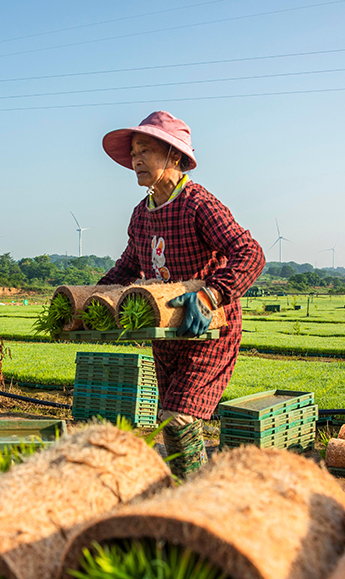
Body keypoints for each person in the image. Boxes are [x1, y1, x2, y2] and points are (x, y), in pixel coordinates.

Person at [97, 111, 265, 478]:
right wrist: (89, 299)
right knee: (171, 421)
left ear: (173, 156)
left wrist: (213, 295)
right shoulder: (142, 215)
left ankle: (196, 501)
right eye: (134, 153)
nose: (136, 160)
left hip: (208, 330)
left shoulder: (198, 204)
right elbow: (128, 267)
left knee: (176, 418)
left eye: (145, 151)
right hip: (168, 334)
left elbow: (250, 253)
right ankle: (191, 492)